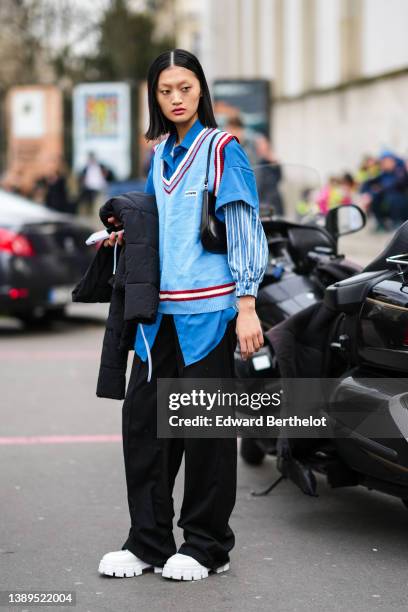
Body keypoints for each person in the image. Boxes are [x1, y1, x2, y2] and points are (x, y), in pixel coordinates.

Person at [98, 49, 268, 581]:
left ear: (201, 91)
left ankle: (204, 546)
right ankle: (147, 541)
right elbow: (155, 222)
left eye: (186, 88)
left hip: (212, 312)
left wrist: (247, 305)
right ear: (155, 95)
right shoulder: (159, 155)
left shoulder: (223, 150)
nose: (176, 98)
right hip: (157, 315)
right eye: (166, 90)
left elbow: (243, 225)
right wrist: (123, 234)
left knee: (205, 433)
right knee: (145, 427)